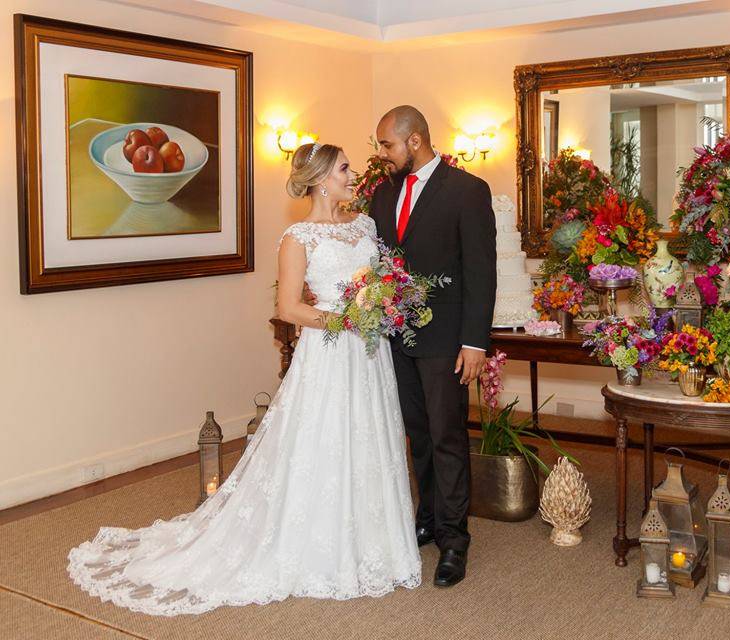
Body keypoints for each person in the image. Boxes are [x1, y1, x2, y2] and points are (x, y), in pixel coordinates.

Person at [66, 143, 421, 616]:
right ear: (319, 179)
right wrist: (344, 321)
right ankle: (319, 546)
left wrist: (381, 303)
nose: (352, 174)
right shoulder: (299, 238)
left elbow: (378, 279)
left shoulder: (365, 225)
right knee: (323, 439)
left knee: (370, 437)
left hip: (369, 355)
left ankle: (376, 544)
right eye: (343, 168)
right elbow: (288, 307)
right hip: (332, 350)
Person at [370, 105, 496, 587]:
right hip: (397, 338)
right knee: (416, 434)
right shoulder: (382, 195)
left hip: (447, 340)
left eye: (387, 145)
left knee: (447, 436)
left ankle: (454, 538)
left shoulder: (467, 191)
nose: (382, 154)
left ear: (415, 141)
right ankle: (426, 516)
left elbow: (481, 272)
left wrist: (474, 343)